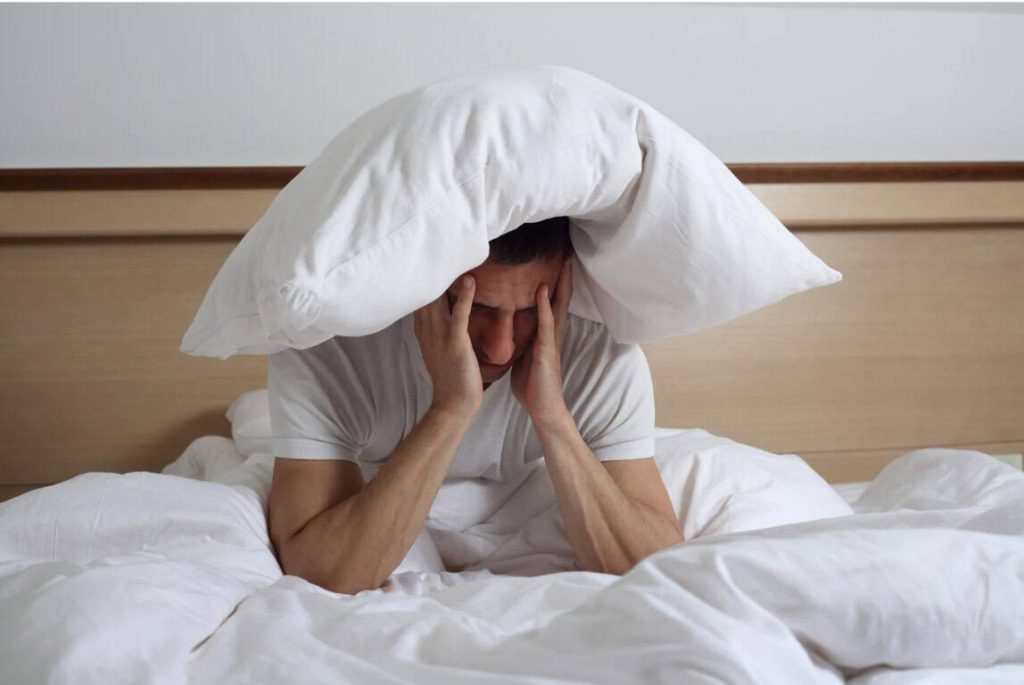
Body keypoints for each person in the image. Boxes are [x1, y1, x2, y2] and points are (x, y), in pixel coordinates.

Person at [266, 216, 683, 594]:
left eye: (528, 311)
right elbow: (324, 576)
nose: (501, 349)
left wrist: (553, 416)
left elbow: (658, 571)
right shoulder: (331, 348)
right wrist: (451, 408)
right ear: (423, 286)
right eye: (475, 308)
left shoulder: (596, 352)